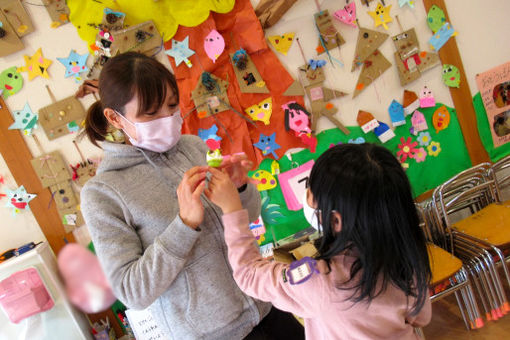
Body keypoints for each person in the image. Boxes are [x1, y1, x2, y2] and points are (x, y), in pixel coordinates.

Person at [79, 52, 304, 339]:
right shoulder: (103, 193)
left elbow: (249, 219)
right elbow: (132, 292)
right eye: (150, 113)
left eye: (172, 106)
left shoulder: (193, 147)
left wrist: (240, 188)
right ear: (114, 117)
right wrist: (184, 225)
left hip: (268, 305)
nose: (167, 119)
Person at [205, 143, 432, 339]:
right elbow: (421, 317)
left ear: (336, 220)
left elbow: (249, 274)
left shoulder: (321, 281)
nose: (307, 197)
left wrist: (232, 209)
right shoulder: (408, 258)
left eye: (311, 191)